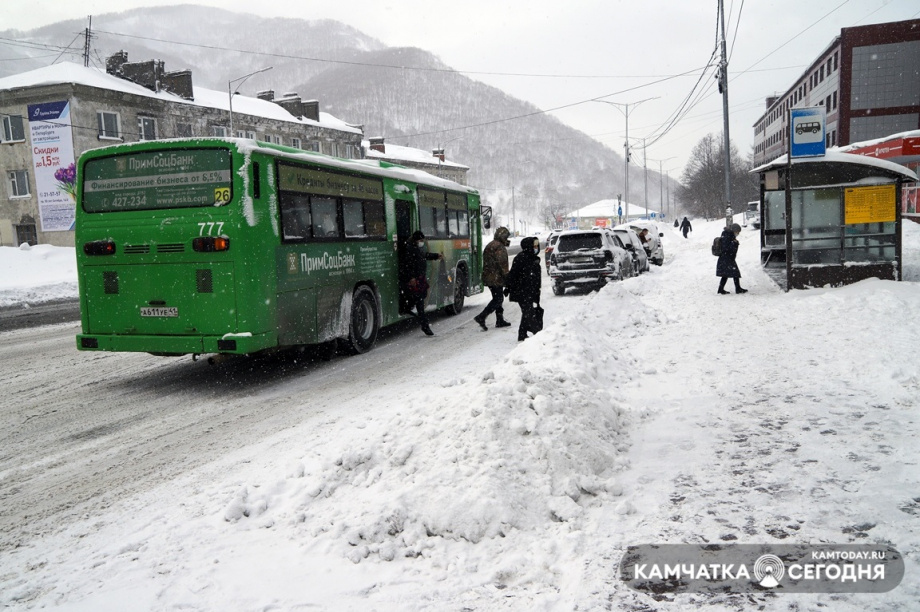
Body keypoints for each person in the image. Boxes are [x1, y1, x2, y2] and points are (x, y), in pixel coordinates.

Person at [400, 230, 443, 335]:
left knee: (420, 298)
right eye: (420, 240)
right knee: (420, 302)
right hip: (415, 279)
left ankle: (408, 308)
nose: (422, 242)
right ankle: (425, 326)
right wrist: (411, 277)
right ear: (415, 240)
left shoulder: (417, 248)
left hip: (419, 278)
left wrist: (436, 256)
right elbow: (407, 265)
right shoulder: (409, 249)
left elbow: (425, 255)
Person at [474, 227, 512, 330]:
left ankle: (499, 320)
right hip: (496, 278)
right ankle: (481, 317)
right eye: (506, 237)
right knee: (498, 299)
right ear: (503, 237)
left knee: (497, 297)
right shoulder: (499, 247)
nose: (507, 239)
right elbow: (502, 264)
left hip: (488, 277)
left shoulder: (491, 244)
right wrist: (507, 278)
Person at [505, 236, 542, 342]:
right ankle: (535, 333)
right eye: (534, 245)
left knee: (527, 312)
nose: (536, 247)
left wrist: (536, 291)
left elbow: (535, 278)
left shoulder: (533, 258)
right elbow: (513, 274)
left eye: (537, 245)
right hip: (522, 291)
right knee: (528, 312)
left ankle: (523, 333)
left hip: (530, 291)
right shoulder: (521, 258)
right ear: (529, 246)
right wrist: (508, 287)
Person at [717, 223, 747, 295]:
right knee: (735, 273)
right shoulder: (727, 235)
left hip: (726, 258)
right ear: (734, 230)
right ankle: (738, 289)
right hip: (727, 257)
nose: (738, 233)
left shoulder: (728, 234)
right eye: (737, 232)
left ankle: (721, 289)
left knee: (726, 274)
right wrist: (734, 243)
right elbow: (726, 247)